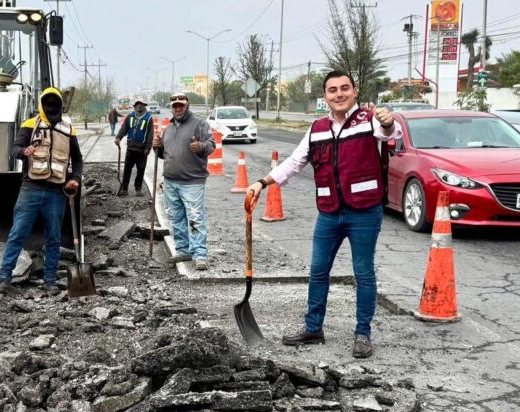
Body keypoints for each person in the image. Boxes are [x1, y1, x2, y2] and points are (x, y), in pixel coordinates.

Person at [246, 71, 402, 359]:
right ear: (325, 96)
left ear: (355, 91)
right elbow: (294, 162)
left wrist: (388, 121)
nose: (339, 94)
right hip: (329, 213)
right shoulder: (317, 128)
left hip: (364, 212)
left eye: (344, 88)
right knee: (318, 271)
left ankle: (362, 333)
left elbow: (391, 133)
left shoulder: (369, 120)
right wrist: (261, 183)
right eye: (332, 90)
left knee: (363, 273)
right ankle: (313, 328)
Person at [0, 87, 83, 295]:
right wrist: (24, 151)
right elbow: (14, 149)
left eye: (55, 102)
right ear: (42, 104)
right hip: (31, 189)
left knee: (53, 238)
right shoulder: (30, 125)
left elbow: (78, 160)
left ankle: (50, 281)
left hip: (56, 193)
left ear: (61, 105)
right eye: (47, 102)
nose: (51, 106)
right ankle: (4, 278)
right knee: (18, 234)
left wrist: (75, 179)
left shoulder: (68, 130)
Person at [152, 92, 214, 271]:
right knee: (176, 217)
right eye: (175, 106)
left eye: (181, 105)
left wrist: (201, 147)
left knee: (195, 217)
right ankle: (183, 250)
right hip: (171, 181)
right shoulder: (169, 128)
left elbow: (211, 145)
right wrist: (157, 147)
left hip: (192, 181)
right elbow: (164, 154)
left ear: (187, 105)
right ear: (171, 108)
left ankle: (200, 254)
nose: (178, 108)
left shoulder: (199, 124)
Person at [114, 100, 154, 196]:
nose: (139, 106)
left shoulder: (148, 118)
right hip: (131, 149)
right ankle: (124, 188)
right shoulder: (130, 116)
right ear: (134, 106)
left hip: (142, 150)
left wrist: (148, 148)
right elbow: (124, 128)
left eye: (141, 104)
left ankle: (138, 189)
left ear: (144, 106)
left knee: (141, 170)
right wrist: (118, 137)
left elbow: (150, 134)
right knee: (127, 169)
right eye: (137, 104)